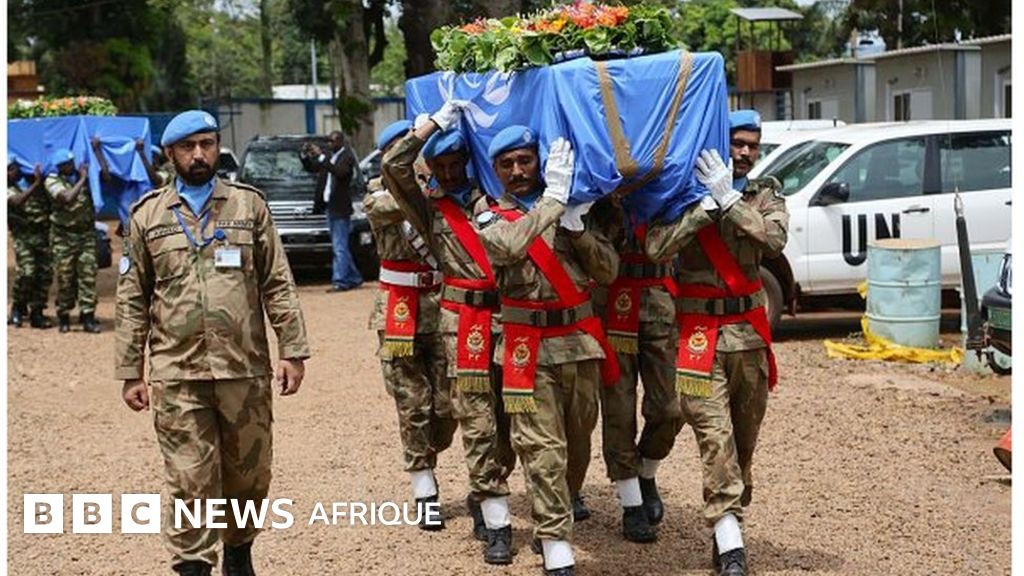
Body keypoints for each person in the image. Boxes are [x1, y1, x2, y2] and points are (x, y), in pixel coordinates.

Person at [115, 109, 310, 576]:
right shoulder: (147, 215)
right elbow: (131, 298)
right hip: (177, 373)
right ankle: (193, 565)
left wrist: (292, 350)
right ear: (170, 154)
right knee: (189, 479)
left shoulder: (248, 206)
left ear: (217, 147)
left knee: (249, 475)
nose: (199, 154)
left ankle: (238, 554)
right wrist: (129, 371)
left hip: (244, 367)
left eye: (206, 144)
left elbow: (277, 282)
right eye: (188, 147)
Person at [644, 110, 788, 576]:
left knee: (744, 445)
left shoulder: (764, 193)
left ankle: (729, 525)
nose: (744, 152)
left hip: (748, 338)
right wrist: (703, 209)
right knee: (716, 439)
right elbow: (656, 247)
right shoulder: (682, 192)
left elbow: (774, 240)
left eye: (752, 145)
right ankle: (730, 546)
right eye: (736, 143)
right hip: (698, 337)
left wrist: (730, 200)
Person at [474, 122, 620, 576]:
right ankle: (557, 546)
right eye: (507, 164)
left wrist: (576, 228)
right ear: (495, 169)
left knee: (577, 448)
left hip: (578, 345)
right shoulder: (488, 213)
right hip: (525, 349)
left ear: (539, 161)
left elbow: (609, 271)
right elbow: (508, 245)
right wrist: (553, 201)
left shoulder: (576, 206)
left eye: (525, 160)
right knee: (543, 450)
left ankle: (555, 514)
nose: (518, 170)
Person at [381, 110, 517, 566]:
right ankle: (494, 518)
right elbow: (393, 167)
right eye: (440, 165)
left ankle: (488, 490)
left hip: (512, 322)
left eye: (456, 162)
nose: (450, 172)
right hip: (461, 325)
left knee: (511, 427)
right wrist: (432, 127)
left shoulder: (497, 197)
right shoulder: (427, 207)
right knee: (476, 422)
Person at [365, 119, 456, 530]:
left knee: (448, 406)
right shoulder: (377, 195)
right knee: (412, 402)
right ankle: (424, 488)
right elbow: (395, 205)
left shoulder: (440, 190)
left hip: (441, 304)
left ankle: (430, 453)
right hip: (399, 309)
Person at [589, 194, 683, 543]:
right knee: (618, 409)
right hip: (612, 300)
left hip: (660, 300)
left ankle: (646, 471)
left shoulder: (668, 187)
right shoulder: (602, 192)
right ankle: (631, 503)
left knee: (670, 407)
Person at [45, 148, 100, 333]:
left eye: (70, 162)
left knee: (88, 275)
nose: (70, 166)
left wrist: (96, 153)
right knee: (65, 278)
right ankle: (64, 315)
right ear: (59, 167)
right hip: (63, 237)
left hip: (86, 235)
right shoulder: (52, 180)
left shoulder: (86, 176)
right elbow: (66, 198)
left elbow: (106, 178)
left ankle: (88, 316)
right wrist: (83, 179)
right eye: (65, 165)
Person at [304, 131, 363, 291]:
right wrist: (306, 156)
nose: (329, 144)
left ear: (341, 142)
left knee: (339, 247)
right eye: (328, 141)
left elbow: (340, 172)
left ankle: (340, 281)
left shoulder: (347, 157)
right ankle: (354, 277)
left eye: (332, 141)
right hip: (329, 207)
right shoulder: (330, 156)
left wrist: (322, 156)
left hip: (341, 208)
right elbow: (313, 168)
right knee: (340, 245)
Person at [7, 159, 53, 328]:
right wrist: (36, 184)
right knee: (27, 272)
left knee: (44, 274)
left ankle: (37, 312)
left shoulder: (36, 182)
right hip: (24, 238)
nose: (9, 173)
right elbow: (17, 201)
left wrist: (38, 182)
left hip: (43, 236)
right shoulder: (8, 189)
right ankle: (17, 307)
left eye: (11, 169)